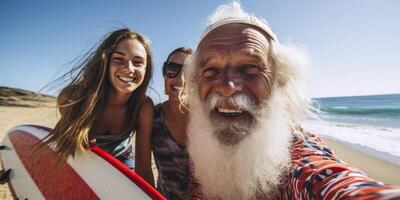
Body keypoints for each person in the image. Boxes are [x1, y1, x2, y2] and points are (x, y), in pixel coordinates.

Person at [179, 2, 400, 199]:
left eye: (250, 67)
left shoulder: (298, 158)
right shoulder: (202, 140)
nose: (227, 87)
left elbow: (336, 183)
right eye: (211, 70)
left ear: (280, 80)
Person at [44, 28, 155, 186]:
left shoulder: (143, 106)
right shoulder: (72, 97)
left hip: (122, 163)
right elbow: (60, 145)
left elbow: (143, 169)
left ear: (146, 69)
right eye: (118, 59)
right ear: (105, 61)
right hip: (81, 161)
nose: (129, 68)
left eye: (138, 62)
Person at [151, 47, 193, 199]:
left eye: (189, 72)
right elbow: (143, 173)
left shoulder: (210, 118)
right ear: (164, 76)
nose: (180, 79)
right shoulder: (152, 116)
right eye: (172, 69)